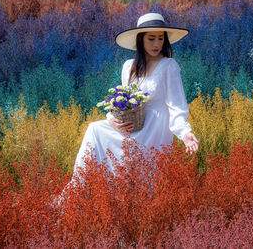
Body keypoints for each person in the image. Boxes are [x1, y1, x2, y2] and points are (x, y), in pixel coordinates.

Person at [73, 12, 199, 174]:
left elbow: (176, 104)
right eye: (151, 38)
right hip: (134, 123)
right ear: (141, 39)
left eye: (161, 38)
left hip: (156, 128)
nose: (157, 44)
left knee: (146, 173)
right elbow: (123, 99)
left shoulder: (169, 65)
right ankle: (84, 188)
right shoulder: (129, 67)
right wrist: (113, 120)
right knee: (94, 129)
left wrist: (184, 133)